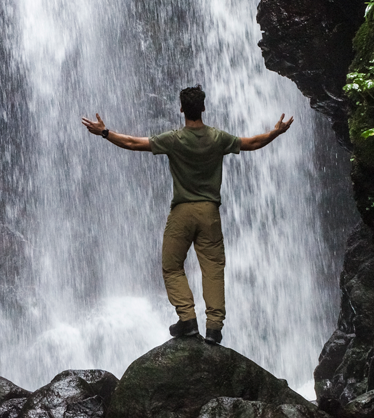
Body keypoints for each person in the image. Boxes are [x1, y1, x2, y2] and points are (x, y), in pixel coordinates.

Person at [80, 85, 293, 345]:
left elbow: (132, 143)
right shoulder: (218, 138)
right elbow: (253, 143)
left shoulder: (173, 139)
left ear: (181, 109)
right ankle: (214, 328)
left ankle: (188, 319)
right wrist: (276, 132)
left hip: (182, 212)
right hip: (210, 212)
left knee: (172, 266)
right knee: (213, 268)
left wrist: (104, 132)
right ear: (203, 108)